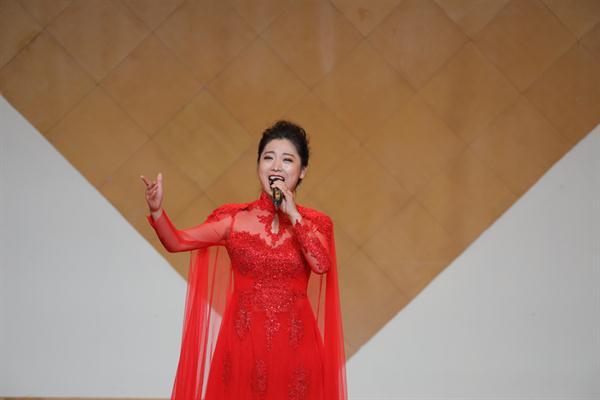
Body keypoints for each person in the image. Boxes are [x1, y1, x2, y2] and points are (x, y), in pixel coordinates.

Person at [140, 120, 347, 400]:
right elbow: (177, 242)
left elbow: (321, 265)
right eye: (268, 157)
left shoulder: (317, 223)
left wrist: (294, 215)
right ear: (258, 165)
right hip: (241, 349)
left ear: (302, 171)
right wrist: (157, 211)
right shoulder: (234, 219)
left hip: (297, 352)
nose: (276, 167)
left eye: (287, 160)